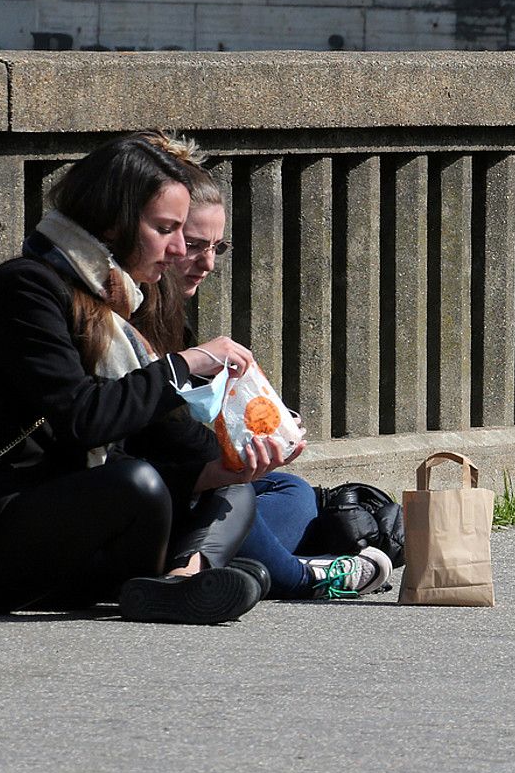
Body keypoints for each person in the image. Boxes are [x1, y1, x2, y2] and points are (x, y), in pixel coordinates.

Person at [0, 131, 278, 623]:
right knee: (136, 483)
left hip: (67, 521)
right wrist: (184, 365)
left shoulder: (120, 303)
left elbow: (150, 431)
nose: (175, 250)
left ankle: (181, 580)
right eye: (166, 228)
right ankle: (191, 576)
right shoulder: (24, 290)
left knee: (232, 488)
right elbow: (83, 419)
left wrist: (234, 456)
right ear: (113, 221)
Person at [132, 147, 391, 600]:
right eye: (192, 244)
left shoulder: (172, 313)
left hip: (176, 486)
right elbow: (150, 435)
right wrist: (224, 458)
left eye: (218, 247)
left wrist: (254, 426)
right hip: (148, 493)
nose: (207, 263)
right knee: (237, 494)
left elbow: (186, 422)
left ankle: (228, 562)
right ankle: (299, 576)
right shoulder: (125, 316)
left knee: (291, 490)